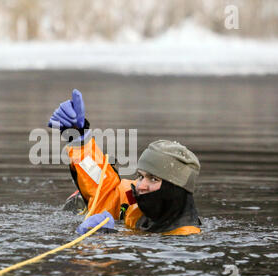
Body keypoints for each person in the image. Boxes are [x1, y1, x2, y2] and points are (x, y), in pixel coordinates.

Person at [48, 89, 202, 236]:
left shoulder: (186, 237)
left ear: (175, 188)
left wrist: (102, 242)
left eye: (154, 179)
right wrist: (79, 139)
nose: (141, 186)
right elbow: (106, 192)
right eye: (141, 176)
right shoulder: (134, 201)